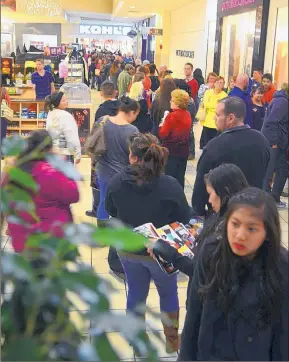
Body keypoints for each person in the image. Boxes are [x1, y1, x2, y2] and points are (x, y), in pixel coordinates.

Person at [105, 133, 192, 353]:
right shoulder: (170, 185)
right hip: (162, 253)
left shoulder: (117, 183)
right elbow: (184, 216)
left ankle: (136, 341)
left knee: (135, 293)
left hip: (129, 250)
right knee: (169, 293)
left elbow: (110, 211)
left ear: (133, 157)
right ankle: (172, 341)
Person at [180, 187, 289, 361]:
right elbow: (194, 313)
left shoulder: (281, 266)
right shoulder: (211, 253)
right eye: (235, 224)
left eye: (251, 229)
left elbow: (283, 333)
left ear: (268, 233)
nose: (240, 236)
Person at [147, 164, 249, 304]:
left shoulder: (229, 233)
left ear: (224, 192)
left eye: (211, 193)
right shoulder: (225, 216)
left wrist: (165, 250)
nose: (209, 200)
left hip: (209, 303)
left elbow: (199, 270)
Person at [192, 96, 270, 216]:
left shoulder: (214, 146)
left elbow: (200, 188)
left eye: (218, 115)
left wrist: (200, 213)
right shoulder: (262, 140)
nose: (214, 118)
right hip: (253, 210)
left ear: (230, 118)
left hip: (224, 215)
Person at [7, 130, 79, 253]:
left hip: (22, 237)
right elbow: (74, 194)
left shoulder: (15, 171)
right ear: (48, 149)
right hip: (49, 238)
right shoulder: (50, 173)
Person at [96, 97, 139, 227]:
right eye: (136, 114)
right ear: (131, 112)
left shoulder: (102, 121)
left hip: (102, 169)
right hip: (122, 173)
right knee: (122, 203)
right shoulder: (132, 130)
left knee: (103, 200)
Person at [85, 81, 121, 218]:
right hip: (118, 150)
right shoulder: (121, 107)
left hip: (102, 151)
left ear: (101, 93)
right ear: (115, 92)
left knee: (98, 182)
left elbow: (96, 132)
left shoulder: (101, 110)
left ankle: (97, 209)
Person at [262, 83, 289, 208]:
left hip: (280, 142)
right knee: (270, 169)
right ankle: (266, 199)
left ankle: (274, 198)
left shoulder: (282, 100)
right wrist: (273, 142)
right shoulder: (282, 101)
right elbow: (271, 121)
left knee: (282, 169)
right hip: (275, 142)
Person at [159, 89, 192, 189]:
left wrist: (162, 125)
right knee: (180, 177)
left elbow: (163, 134)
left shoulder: (171, 116)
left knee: (170, 178)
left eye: (172, 100)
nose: (170, 102)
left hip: (171, 151)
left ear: (178, 103)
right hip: (184, 150)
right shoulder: (187, 114)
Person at [45, 92, 81, 164]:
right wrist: (77, 154)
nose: (67, 102)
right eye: (64, 100)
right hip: (65, 154)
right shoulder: (66, 116)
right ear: (57, 103)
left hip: (52, 152)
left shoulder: (50, 113)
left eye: (66, 99)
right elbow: (72, 138)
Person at [174, 79, 196, 160]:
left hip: (188, 116)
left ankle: (191, 152)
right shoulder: (186, 96)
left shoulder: (187, 99)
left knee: (189, 132)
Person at [202, 76, 227, 146]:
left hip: (218, 123)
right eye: (217, 82)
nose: (219, 84)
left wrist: (213, 106)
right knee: (207, 144)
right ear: (214, 83)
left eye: (221, 83)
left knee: (216, 144)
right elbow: (206, 104)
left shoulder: (225, 95)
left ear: (223, 85)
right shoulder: (208, 92)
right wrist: (216, 105)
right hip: (207, 122)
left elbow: (223, 108)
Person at [197, 72, 218, 149]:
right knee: (204, 125)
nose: (212, 79)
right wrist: (208, 88)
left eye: (213, 78)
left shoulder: (216, 87)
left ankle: (204, 143)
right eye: (211, 78)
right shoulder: (203, 86)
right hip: (204, 107)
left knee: (207, 126)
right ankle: (202, 143)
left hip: (211, 110)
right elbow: (199, 94)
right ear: (208, 78)